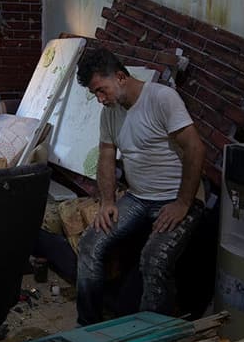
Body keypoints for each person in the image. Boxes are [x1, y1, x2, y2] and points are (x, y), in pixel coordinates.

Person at [74, 46, 206, 324]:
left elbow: (195, 149)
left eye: (101, 90)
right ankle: (87, 327)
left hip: (177, 198)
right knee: (90, 243)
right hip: (138, 198)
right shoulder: (110, 112)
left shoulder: (162, 98)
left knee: (153, 259)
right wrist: (107, 202)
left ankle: (152, 340)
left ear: (121, 77)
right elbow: (107, 156)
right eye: (94, 93)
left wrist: (183, 203)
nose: (100, 99)